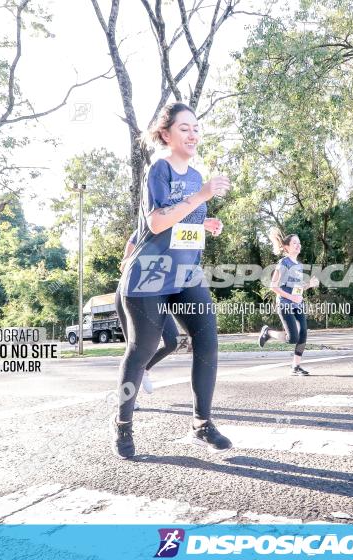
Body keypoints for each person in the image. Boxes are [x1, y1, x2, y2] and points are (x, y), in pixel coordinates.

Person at [112, 102, 230, 459]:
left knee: (207, 342)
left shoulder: (196, 177)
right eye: (184, 128)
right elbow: (157, 223)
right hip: (149, 275)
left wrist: (203, 223)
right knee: (141, 350)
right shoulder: (158, 170)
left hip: (185, 273)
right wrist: (201, 197)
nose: (193, 134)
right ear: (166, 134)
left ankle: (202, 423)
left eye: (196, 128)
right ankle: (122, 425)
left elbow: (181, 227)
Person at [116, 231, 180, 408]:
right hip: (130, 293)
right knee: (134, 350)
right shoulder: (141, 233)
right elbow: (123, 266)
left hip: (156, 294)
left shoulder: (174, 230)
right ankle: (125, 399)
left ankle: (145, 368)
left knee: (173, 341)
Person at [258, 227, 319, 375]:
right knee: (293, 338)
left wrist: (309, 285)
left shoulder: (298, 265)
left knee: (303, 333)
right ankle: (268, 332)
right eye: (294, 243)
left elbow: (296, 288)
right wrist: (291, 297)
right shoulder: (283, 263)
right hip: (285, 304)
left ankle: (295, 367)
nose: (298, 245)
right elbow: (273, 286)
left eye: (299, 243)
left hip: (297, 304)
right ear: (286, 247)